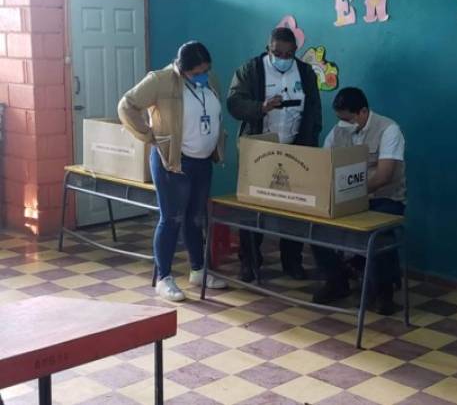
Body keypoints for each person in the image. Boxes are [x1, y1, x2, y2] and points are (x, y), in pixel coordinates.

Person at [118, 41, 227, 302]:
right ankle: (164, 278)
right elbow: (127, 105)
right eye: (197, 72)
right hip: (173, 162)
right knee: (171, 219)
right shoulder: (161, 80)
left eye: (207, 69)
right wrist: (148, 136)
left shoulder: (209, 80)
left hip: (202, 161)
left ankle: (198, 271)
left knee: (196, 218)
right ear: (182, 68)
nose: (204, 75)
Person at [227, 27, 322, 282]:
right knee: (252, 207)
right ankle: (249, 261)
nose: (282, 57)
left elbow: (314, 112)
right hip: (259, 150)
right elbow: (234, 103)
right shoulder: (251, 70)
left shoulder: (305, 72)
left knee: (294, 211)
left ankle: (292, 261)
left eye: (288, 53)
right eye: (277, 52)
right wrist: (261, 107)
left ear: (295, 52)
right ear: (268, 48)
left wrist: (310, 146)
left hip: (295, 150)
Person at [312, 87, 407, 315]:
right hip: (349, 198)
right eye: (340, 119)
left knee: (378, 233)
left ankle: (384, 293)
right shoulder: (338, 132)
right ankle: (337, 281)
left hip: (385, 198)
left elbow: (384, 175)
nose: (343, 123)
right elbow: (325, 164)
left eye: (347, 118)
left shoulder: (389, 130)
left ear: (363, 112)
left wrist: (351, 192)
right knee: (317, 229)